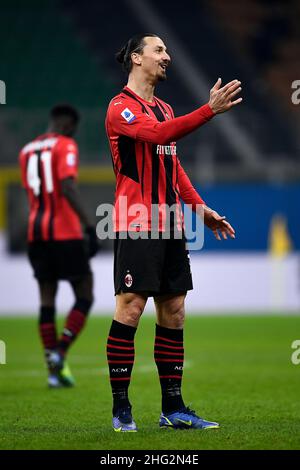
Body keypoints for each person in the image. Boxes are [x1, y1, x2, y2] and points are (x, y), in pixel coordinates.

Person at [105, 33, 241, 431]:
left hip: (170, 224)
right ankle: (121, 408)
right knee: (131, 308)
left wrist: (201, 209)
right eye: (159, 50)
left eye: (166, 50)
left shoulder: (164, 107)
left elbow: (173, 165)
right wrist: (208, 111)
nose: (167, 57)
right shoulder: (120, 108)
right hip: (136, 221)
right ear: (136, 58)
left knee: (175, 311)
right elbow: (158, 136)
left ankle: (174, 409)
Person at [19, 104, 99, 388]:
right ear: (68, 125)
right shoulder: (65, 145)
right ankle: (61, 352)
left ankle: (52, 370)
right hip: (64, 233)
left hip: (35, 235)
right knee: (85, 292)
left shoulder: (27, 150)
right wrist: (90, 225)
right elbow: (66, 185)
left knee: (46, 299)